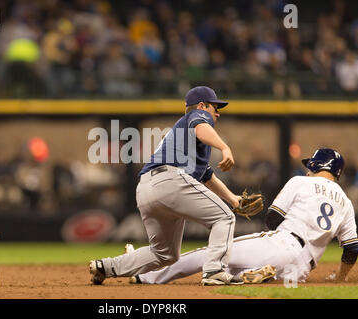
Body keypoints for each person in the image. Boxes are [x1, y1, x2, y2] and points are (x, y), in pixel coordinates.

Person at [130, 148, 358, 285]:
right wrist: (339, 278)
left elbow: (272, 219)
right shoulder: (346, 203)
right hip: (300, 271)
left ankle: (146, 276)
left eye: (310, 165)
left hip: (282, 244)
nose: (307, 168)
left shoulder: (301, 181)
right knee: (227, 271)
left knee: (212, 254)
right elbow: (351, 249)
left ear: (316, 164)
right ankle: (250, 274)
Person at [90, 86, 244, 286]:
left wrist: (233, 199)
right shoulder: (197, 118)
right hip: (170, 181)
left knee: (164, 254)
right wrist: (225, 147)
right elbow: (201, 125)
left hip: (147, 187)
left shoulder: (186, 135)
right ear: (201, 105)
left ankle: (106, 267)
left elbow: (206, 176)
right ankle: (215, 270)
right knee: (224, 217)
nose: (218, 113)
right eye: (215, 107)